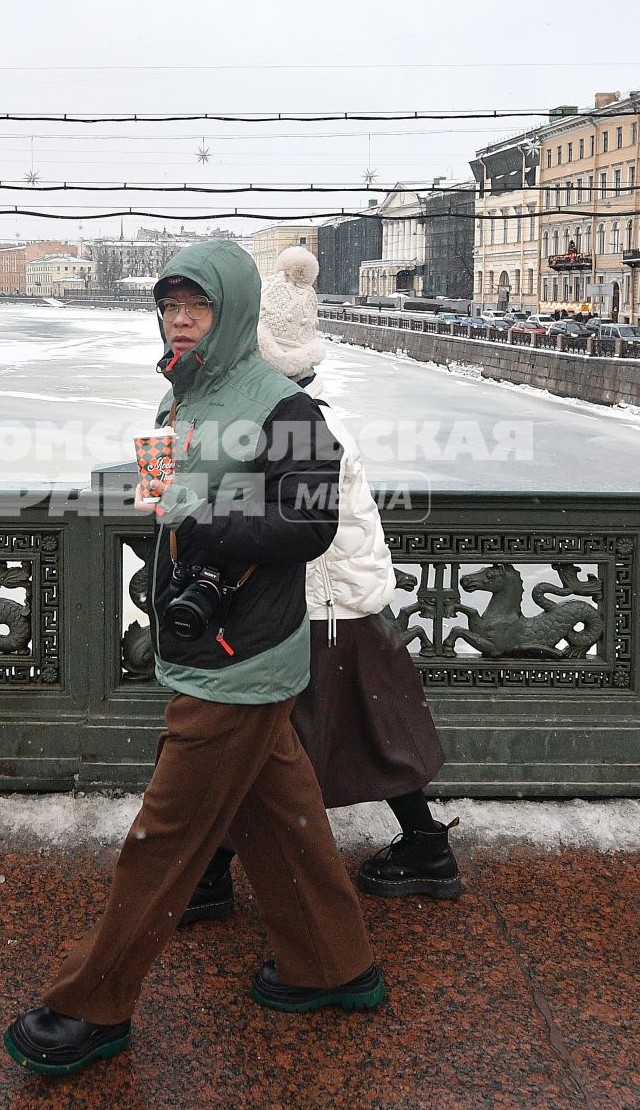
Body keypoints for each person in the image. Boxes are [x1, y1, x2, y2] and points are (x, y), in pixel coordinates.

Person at [5, 240, 384, 1077]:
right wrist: (179, 521)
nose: (180, 318)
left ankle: (89, 1004)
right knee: (277, 812)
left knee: (164, 837)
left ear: (236, 313)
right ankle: (334, 964)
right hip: (205, 637)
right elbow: (165, 501)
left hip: (242, 653)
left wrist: (207, 522)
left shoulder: (286, 409)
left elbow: (311, 523)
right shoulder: (180, 397)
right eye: (171, 304)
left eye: (198, 306)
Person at [184, 248, 456, 926]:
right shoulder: (302, 413)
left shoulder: (291, 421)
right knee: (353, 735)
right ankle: (424, 848)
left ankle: (240, 883)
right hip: (332, 604)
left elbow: (283, 522)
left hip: (317, 607)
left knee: (268, 745)